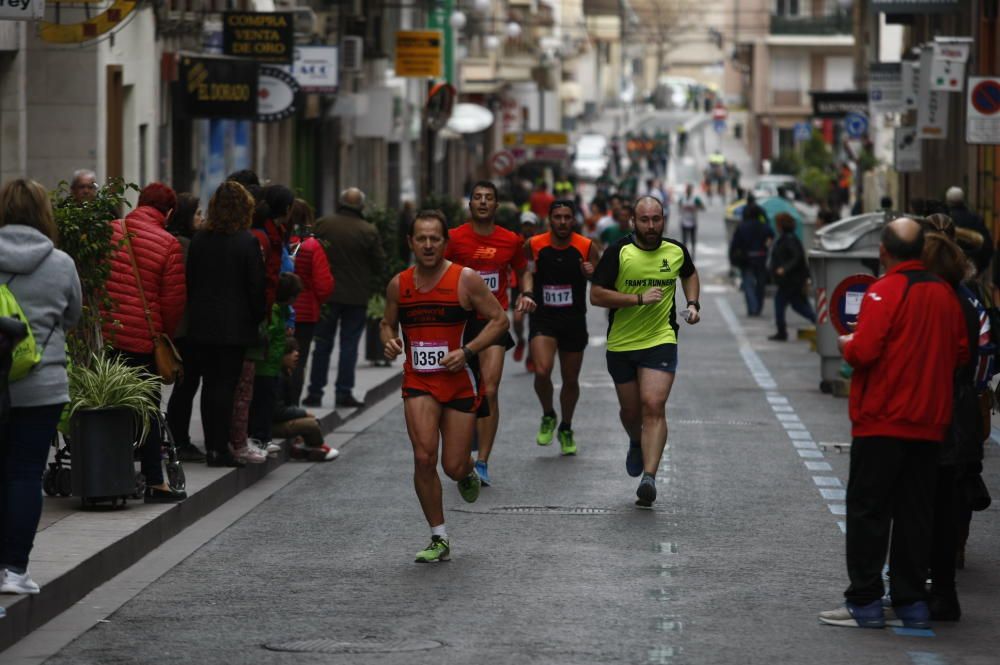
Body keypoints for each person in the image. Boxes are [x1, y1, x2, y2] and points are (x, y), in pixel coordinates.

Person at [819, 218, 968, 630]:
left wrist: (846, 344)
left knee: (869, 511)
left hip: (883, 421)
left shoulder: (884, 291)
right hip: (929, 423)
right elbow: (960, 353)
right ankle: (911, 602)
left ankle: (865, 601)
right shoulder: (945, 295)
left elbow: (863, 351)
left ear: (884, 252)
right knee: (914, 515)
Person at [380, 210, 509, 563]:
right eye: (421, 238)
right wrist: (389, 341)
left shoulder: (465, 280)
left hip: (458, 384)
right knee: (424, 458)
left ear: (444, 242)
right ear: (410, 243)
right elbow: (386, 323)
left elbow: (500, 320)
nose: (428, 245)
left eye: (434, 238)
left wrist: (468, 351)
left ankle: (466, 470)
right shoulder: (399, 284)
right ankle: (439, 537)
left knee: (452, 465)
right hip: (419, 381)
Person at [590, 196, 700, 508]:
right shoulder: (619, 252)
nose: (651, 226)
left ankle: (649, 478)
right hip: (622, 343)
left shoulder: (676, 250)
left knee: (653, 404)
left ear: (663, 219)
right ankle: (636, 441)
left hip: (660, 338)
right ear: (633, 222)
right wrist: (637, 299)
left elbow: (689, 274)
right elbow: (596, 295)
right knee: (630, 412)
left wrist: (692, 304)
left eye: (656, 219)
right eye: (644, 220)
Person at [0, 179, 82, 594]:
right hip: (41, 383)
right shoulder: (61, 263)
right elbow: (72, 317)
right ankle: (14, 570)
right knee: (25, 474)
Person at [444, 180, 535, 486]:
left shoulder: (510, 240)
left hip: (492, 322)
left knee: (490, 389)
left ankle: (482, 461)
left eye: (488, 198)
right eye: (477, 198)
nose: (482, 202)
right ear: (470, 205)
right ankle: (463, 442)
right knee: (461, 392)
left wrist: (526, 293)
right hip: (459, 323)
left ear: (496, 206)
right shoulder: (454, 238)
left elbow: (523, 270)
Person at [102, 182, 187, 502]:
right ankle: (155, 480)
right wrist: (164, 337)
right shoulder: (168, 243)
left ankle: (111, 473)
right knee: (148, 409)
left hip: (107, 338)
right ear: (169, 211)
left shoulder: (109, 230)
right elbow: (173, 302)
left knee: (110, 406)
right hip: (143, 341)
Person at [186, 181, 266, 467]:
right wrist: (256, 318)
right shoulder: (247, 242)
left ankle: (213, 445)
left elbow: (191, 281)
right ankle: (220, 448)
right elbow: (256, 287)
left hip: (203, 324)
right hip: (235, 327)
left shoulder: (199, 240)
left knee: (210, 386)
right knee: (227, 386)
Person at [526, 200, 598, 455]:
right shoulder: (535, 244)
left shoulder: (586, 246)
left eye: (567, 217)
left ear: (573, 220)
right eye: (558, 217)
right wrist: (526, 292)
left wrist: (590, 272)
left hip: (573, 319)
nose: (563, 222)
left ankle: (566, 427)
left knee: (570, 379)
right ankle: (548, 414)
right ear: (550, 220)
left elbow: (600, 280)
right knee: (542, 370)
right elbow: (527, 271)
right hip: (543, 317)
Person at [304, 188, 384, 409]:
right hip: (356, 296)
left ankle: (314, 392)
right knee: (349, 345)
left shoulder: (323, 224)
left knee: (322, 343)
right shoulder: (368, 230)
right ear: (361, 206)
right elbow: (379, 263)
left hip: (326, 294)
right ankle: (343, 392)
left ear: (340, 203)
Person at [164, 193, 207, 462]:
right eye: (198, 214)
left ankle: (175, 438)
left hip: (181, 324)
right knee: (186, 383)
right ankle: (178, 439)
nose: (202, 219)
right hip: (184, 326)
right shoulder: (185, 245)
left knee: (185, 384)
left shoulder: (182, 241)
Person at [288, 199, 334, 406]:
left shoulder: (278, 241)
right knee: (297, 361)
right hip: (305, 313)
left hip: (279, 311)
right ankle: (291, 406)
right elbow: (324, 285)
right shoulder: (311, 246)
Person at [768, 212, 815, 341]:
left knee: (785, 304)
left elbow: (797, 257)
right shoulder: (787, 238)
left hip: (790, 281)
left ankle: (782, 332)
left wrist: (784, 268)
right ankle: (818, 323)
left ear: (781, 225)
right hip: (791, 281)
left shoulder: (789, 239)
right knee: (798, 305)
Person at [729, 194, 774, 316]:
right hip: (761, 257)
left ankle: (752, 307)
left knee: (748, 284)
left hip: (746, 258)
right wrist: (765, 246)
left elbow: (735, 244)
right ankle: (758, 307)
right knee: (760, 284)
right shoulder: (764, 226)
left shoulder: (742, 226)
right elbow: (771, 237)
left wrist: (732, 258)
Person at [945, 187, 994, 278]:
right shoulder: (975, 219)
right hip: (971, 270)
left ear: (948, 200)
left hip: (947, 273)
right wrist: (978, 267)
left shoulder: (942, 221)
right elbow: (988, 247)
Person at [511, 211, 539, 364]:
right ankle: (521, 340)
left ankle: (531, 356)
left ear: (535, 226)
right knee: (517, 319)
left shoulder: (540, 243)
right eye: (525, 225)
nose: (528, 228)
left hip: (537, 288)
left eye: (530, 225)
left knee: (535, 325)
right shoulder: (516, 243)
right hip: (519, 288)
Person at [677, 184, 706, 258]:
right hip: (684, 221)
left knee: (693, 238)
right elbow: (678, 206)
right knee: (684, 239)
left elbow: (703, 207)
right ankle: (685, 253)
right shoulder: (682, 198)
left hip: (693, 221)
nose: (688, 191)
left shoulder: (695, 199)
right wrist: (682, 208)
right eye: (687, 189)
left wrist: (696, 207)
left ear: (692, 190)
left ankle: (693, 253)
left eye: (689, 189)